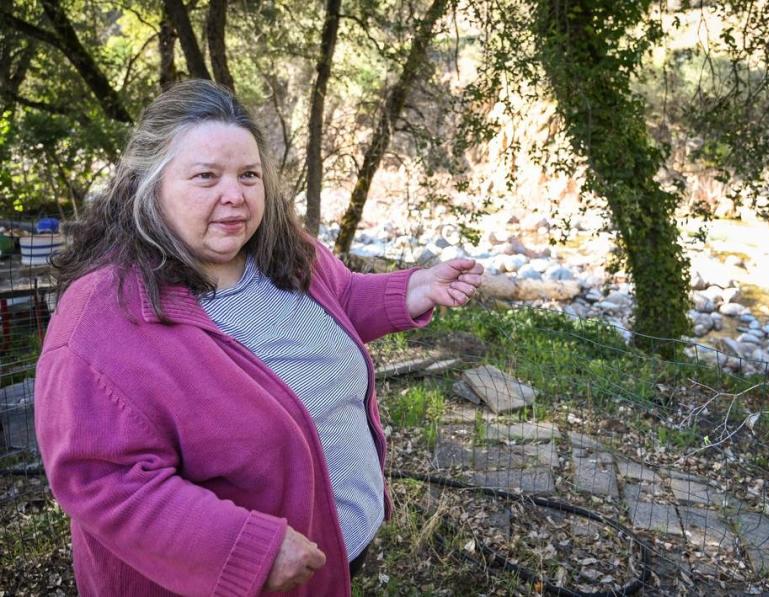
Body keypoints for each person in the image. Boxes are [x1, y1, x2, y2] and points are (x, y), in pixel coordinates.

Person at [34, 79, 483, 596]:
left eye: (249, 175)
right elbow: (105, 482)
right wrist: (244, 549)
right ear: (147, 185)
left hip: (335, 552)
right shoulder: (103, 315)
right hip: (238, 581)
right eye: (206, 176)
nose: (236, 195)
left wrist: (414, 288)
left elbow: (338, 305)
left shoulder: (285, 252)